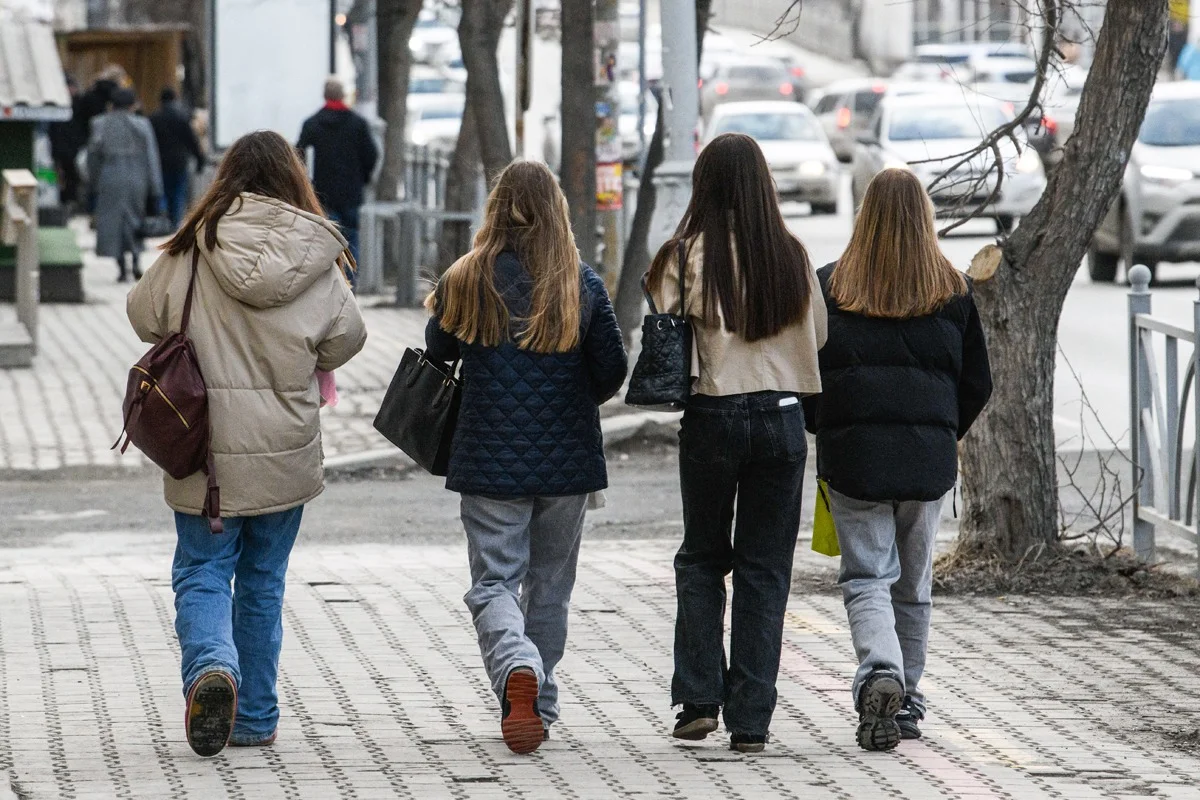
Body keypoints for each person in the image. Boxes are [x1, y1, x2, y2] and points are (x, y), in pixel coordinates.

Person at [126, 130, 367, 758]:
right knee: (263, 582)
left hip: (200, 445)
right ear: (294, 180)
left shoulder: (193, 247)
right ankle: (255, 716)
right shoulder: (317, 252)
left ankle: (212, 667)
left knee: (203, 570)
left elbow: (143, 314)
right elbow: (348, 338)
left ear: (226, 177)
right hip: (284, 448)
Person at [424, 160, 628, 754]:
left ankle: (518, 664)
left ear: (496, 210)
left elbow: (438, 349)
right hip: (568, 463)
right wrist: (570, 394)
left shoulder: (466, 277)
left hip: (487, 457)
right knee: (551, 587)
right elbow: (612, 369)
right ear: (556, 212)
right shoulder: (579, 283)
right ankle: (539, 696)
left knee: (495, 582)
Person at [648, 132, 827, 754]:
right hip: (782, 418)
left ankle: (699, 699)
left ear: (705, 186)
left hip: (713, 414)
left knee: (702, 557)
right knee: (764, 569)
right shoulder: (791, 253)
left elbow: (662, 323)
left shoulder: (685, 254)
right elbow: (818, 335)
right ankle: (751, 720)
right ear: (762, 186)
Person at [803, 168, 992, 751]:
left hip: (854, 460)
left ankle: (879, 670)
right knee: (913, 585)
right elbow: (977, 383)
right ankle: (904, 700)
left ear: (865, 217)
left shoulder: (831, 285)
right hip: (926, 465)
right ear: (924, 219)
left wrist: (825, 427)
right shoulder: (953, 290)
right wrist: (942, 433)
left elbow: (808, 374)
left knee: (866, 578)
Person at [298, 77, 379, 289]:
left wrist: (307, 184)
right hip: (351, 193)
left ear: (325, 95)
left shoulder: (312, 123)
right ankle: (350, 285)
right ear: (343, 96)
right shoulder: (357, 124)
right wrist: (363, 178)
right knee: (351, 240)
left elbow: (298, 156)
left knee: (327, 239)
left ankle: (331, 286)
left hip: (323, 192)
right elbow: (371, 155)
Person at [87, 88, 163, 282]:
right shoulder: (142, 124)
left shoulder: (99, 123)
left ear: (111, 105)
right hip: (137, 178)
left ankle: (120, 265)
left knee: (113, 222)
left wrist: (93, 182)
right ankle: (136, 259)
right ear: (132, 105)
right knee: (135, 219)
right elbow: (151, 157)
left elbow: (93, 157)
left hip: (110, 177)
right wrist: (156, 188)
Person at [149, 87, 205, 227]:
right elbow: (191, 141)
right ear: (174, 99)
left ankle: (164, 220)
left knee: (162, 192)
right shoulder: (182, 117)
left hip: (160, 163)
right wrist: (200, 160)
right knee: (178, 194)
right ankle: (175, 223)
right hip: (179, 163)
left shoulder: (154, 118)